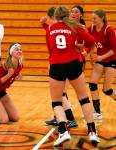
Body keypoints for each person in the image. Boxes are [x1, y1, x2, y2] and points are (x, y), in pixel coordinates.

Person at [46, 6, 99, 146]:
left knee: (57, 102)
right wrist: (81, 50)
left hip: (56, 65)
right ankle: (92, 132)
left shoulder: (50, 28)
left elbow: (50, 48)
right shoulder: (74, 26)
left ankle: (64, 132)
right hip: (73, 63)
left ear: (56, 16)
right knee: (83, 98)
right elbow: (91, 41)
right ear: (67, 15)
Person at [40, 7, 78, 128]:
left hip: (64, 62)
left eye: (47, 17)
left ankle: (70, 118)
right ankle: (59, 117)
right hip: (64, 62)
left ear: (52, 17)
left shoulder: (60, 28)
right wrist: (43, 23)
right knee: (59, 93)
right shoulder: (56, 28)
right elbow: (47, 28)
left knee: (61, 93)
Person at [88, 9, 116, 120]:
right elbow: (88, 40)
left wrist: (101, 57)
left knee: (107, 89)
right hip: (100, 61)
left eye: (95, 18)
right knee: (92, 84)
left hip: (112, 60)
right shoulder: (91, 28)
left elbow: (115, 49)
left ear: (102, 18)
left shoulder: (108, 29)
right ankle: (97, 112)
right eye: (92, 18)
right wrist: (90, 54)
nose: (92, 20)